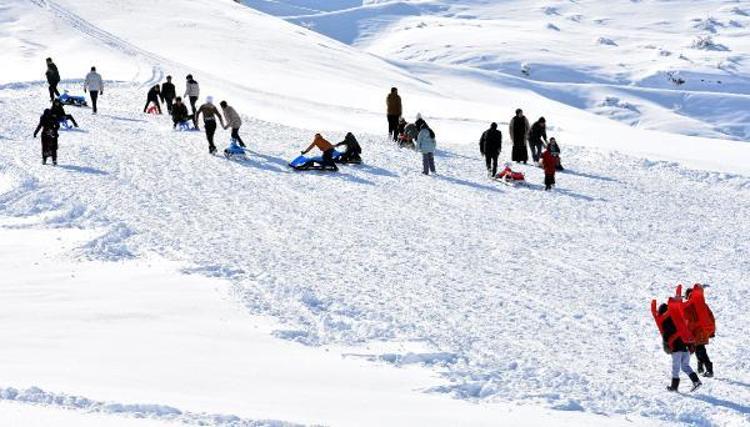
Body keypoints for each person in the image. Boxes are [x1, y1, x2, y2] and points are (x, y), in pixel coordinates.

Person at [656, 303, 702, 392]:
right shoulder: (678, 319)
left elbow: (666, 335)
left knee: (675, 368)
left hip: (676, 348)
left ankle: (674, 386)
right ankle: (696, 381)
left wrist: (666, 344)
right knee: (685, 366)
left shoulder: (665, 322)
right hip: (685, 346)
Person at [684, 286, 716, 378]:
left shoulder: (687, 306)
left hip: (695, 331)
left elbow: (686, 320)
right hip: (704, 330)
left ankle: (709, 369)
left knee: (700, 349)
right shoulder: (703, 304)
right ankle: (700, 367)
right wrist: (712, 330)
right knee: (699, 348)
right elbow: (711, 316)